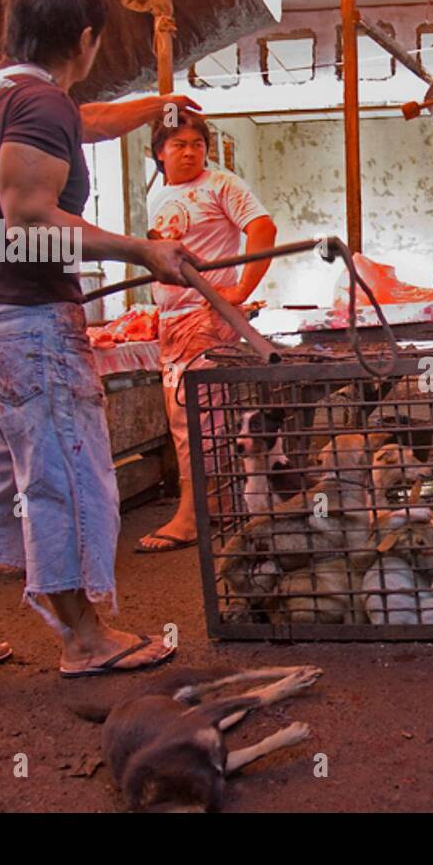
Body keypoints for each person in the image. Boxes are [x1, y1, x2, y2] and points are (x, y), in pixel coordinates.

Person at [0, 0, 202, 678]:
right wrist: (142, 250)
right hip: (30, 328)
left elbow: (77, 118)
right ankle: (85, 638)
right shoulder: (40, 107)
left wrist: (159, 106)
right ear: (89, 39)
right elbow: (29, 215)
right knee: (65, 476)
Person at [136, 112, 277, 552]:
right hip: (174, 320)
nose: (191, 151)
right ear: (159, 152)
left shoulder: (222, 185)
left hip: (204, 316)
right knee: (190, 417)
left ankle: (191, 516)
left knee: (193, 417)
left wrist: (241, 289)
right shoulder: (160, 195)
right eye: (179, 144)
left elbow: (263, 228)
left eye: (197, 143)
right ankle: (214, 505)